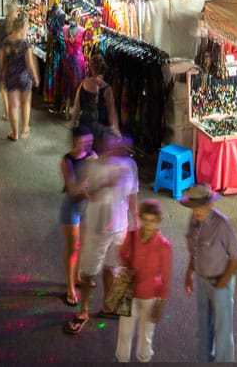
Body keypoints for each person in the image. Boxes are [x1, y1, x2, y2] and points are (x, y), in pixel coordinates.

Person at [66, 135, 138, 334]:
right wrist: (108, 184)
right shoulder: (94, 166)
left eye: (125, 149)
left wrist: (136, 221)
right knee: (89, 273)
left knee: (112, 269)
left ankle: (108, 307)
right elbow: (88, 193)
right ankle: (84, 311)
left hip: (120, 227)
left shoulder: (131, 165)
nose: (122, 152)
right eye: (118, 147)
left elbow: (132, 194)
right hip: (98, 229)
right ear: (109, 146)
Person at [183, 182, 237, 362]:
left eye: (200, 206)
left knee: (222, 329)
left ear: (210, 204)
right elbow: (193, 249)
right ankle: (203, 360)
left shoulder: (221, 224)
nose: (196, 211)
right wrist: (189, 273)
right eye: (193, 207)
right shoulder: (193, 221)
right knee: (203, 327)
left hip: (219, 282)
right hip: (202, 280)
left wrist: (223, 282)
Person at [114, 199, 173, 363]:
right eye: (145, 220)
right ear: (141, 218)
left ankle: (144, 357)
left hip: (150, 295)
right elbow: (122, 254)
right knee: (125, 331)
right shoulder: (132, 236)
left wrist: (161, 303)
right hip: (129, 292)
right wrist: (126, 263)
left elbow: (166, 276)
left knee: (147, 332)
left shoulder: (164, 246)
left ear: (159, 221)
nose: (148, 225)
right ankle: (122, 358)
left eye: (152, 221)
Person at [59, 126, 96, 309]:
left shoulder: (93, 155)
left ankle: (77, 277)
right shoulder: (67, 161)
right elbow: (73, 189)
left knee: (83, 245)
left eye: (90, 141)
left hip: (87, 207)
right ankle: (70, 287)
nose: (87, 145)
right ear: (75, 141)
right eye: (84, 142)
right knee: (72, 247)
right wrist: (89, 173)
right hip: (71, 208)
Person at [0, 10, 39, 141]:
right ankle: (25, 128)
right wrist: (35, 78)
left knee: (13, 106)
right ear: (22, 28)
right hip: (24, 77)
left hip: (11, 77)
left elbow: (1, 62)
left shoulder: (5, 43)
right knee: (26, 103)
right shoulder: (25, 44)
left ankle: (14, 134)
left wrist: (2, 76)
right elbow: (30, 64)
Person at [70, 54, 119, 152]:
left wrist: (73, 123)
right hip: (99, 128)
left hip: (84, 124)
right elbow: (111, 112)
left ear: (91, 68)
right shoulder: (107, 89)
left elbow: (77, 106)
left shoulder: (83, 84)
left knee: (82, 154)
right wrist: (115, 130)